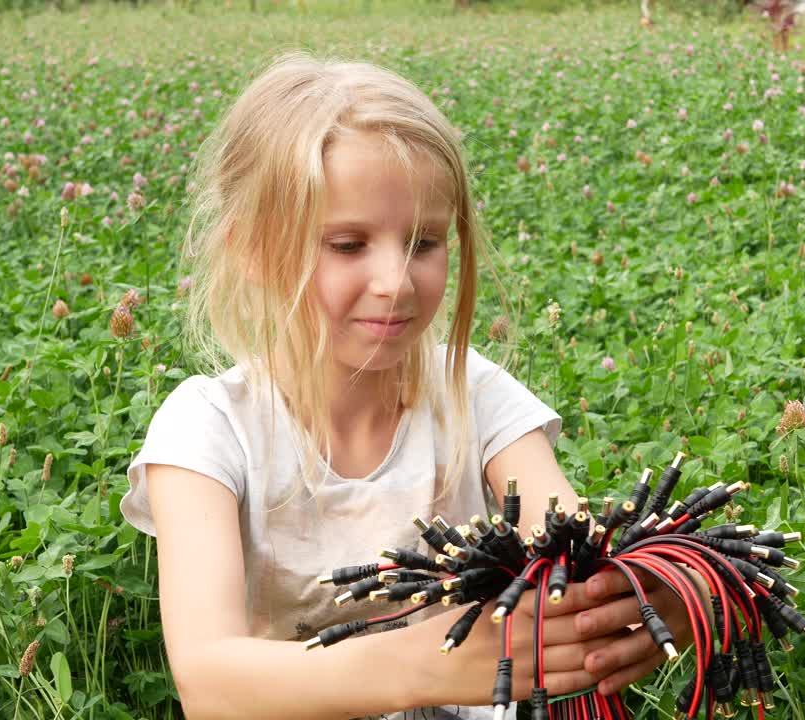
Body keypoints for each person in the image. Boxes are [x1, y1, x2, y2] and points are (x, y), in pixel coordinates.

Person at [119, 51, 689, 720]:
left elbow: (580, 557)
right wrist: (430, 663)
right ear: (254, 250)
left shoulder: (473, 394)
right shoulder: (208, 430)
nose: (395, 281)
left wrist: (669, 591)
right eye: (347, 244)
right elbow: (211, 683)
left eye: (424, 242)